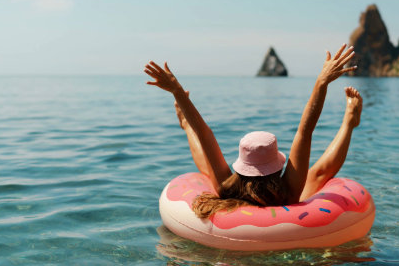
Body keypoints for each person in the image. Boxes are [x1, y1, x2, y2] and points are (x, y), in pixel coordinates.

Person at [144, 44, 363, 218]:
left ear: (242, 166)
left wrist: (177, 91)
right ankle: (349, 123)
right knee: (317, 174)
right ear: (277, 165)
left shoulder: (227, 189)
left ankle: (185, 125)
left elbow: (205, 135)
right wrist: (321, 82)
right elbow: (305, 132)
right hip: (291, 225)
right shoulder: (289, 190)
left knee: (207, 167)